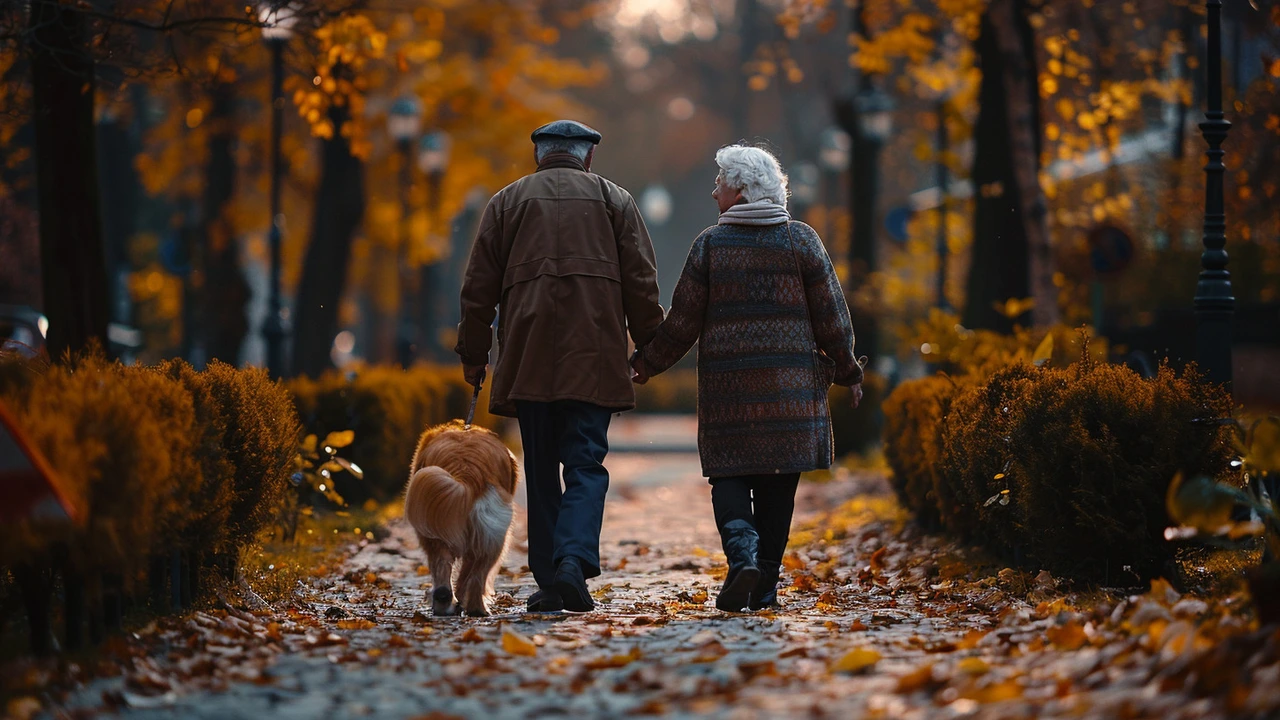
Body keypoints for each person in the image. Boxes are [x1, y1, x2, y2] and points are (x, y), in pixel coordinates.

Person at [632, 144, 863, 612]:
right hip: (792, 395)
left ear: (739, 190)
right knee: (779, 488)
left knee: (729, 477)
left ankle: (742, 558)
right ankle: (767, 585)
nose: (713, 190)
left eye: (720, 182)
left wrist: (645, 363)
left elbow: (682, 324)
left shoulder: (710, 246)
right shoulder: (802, 241)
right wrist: (847, 368)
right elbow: (832, 317)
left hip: (728, 395)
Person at [456, 120, 664, 613]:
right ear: (587, 158)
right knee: (586, 465)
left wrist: (472, 354)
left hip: (528, 357)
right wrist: (652, 350)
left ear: (539, 157)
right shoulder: (616, 201)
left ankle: (550, 581)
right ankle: (573, 562)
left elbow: (478, 287)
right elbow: (641, 281)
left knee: (543, 469)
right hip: (593, 358)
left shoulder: (506, 202)